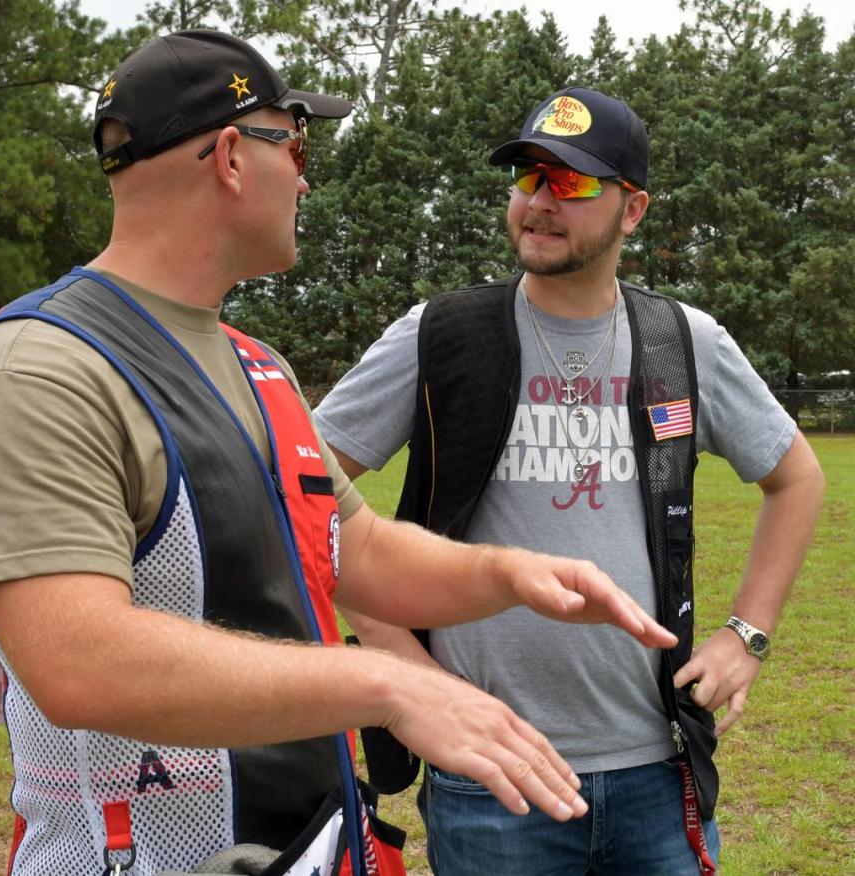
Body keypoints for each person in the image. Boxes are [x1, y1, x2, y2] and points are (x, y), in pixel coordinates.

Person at [0, 36, 676, 876]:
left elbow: (350, 551)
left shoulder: (256, 365)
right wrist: (390, 687)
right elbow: (76, 660)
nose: (306, 175)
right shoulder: (38, 369)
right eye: (294, 144)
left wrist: (509, 576)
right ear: (229, 159)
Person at [315, 86, 825, 875]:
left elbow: (797, 479)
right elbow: (302, 491)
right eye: (528, 177)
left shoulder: (682, 341)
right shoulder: (439, 334)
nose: (541, 202)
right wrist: (404, 674)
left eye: (574, 183)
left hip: (657, 767)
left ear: (634, 209)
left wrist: (747, 635)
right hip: (492, 777)